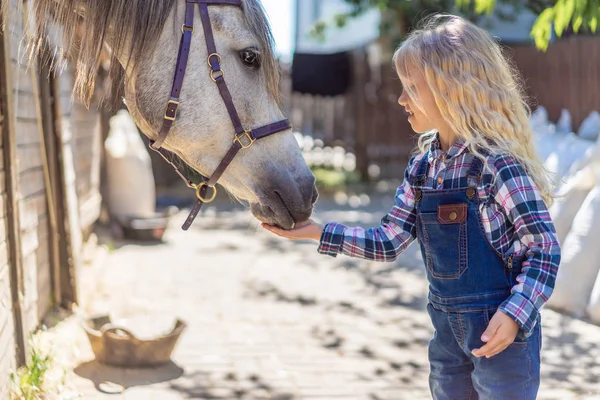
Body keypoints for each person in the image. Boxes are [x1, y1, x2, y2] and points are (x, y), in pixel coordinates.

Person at [263, 13, 561, 400]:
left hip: (503, 339)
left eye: (412, 88)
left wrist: (515, 313)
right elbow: (389, 240)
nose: (401, 99)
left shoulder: (496, 165)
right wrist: (318, 232)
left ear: (452, 89)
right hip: (447, 341)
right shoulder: (423, 168)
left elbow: (545, 249)